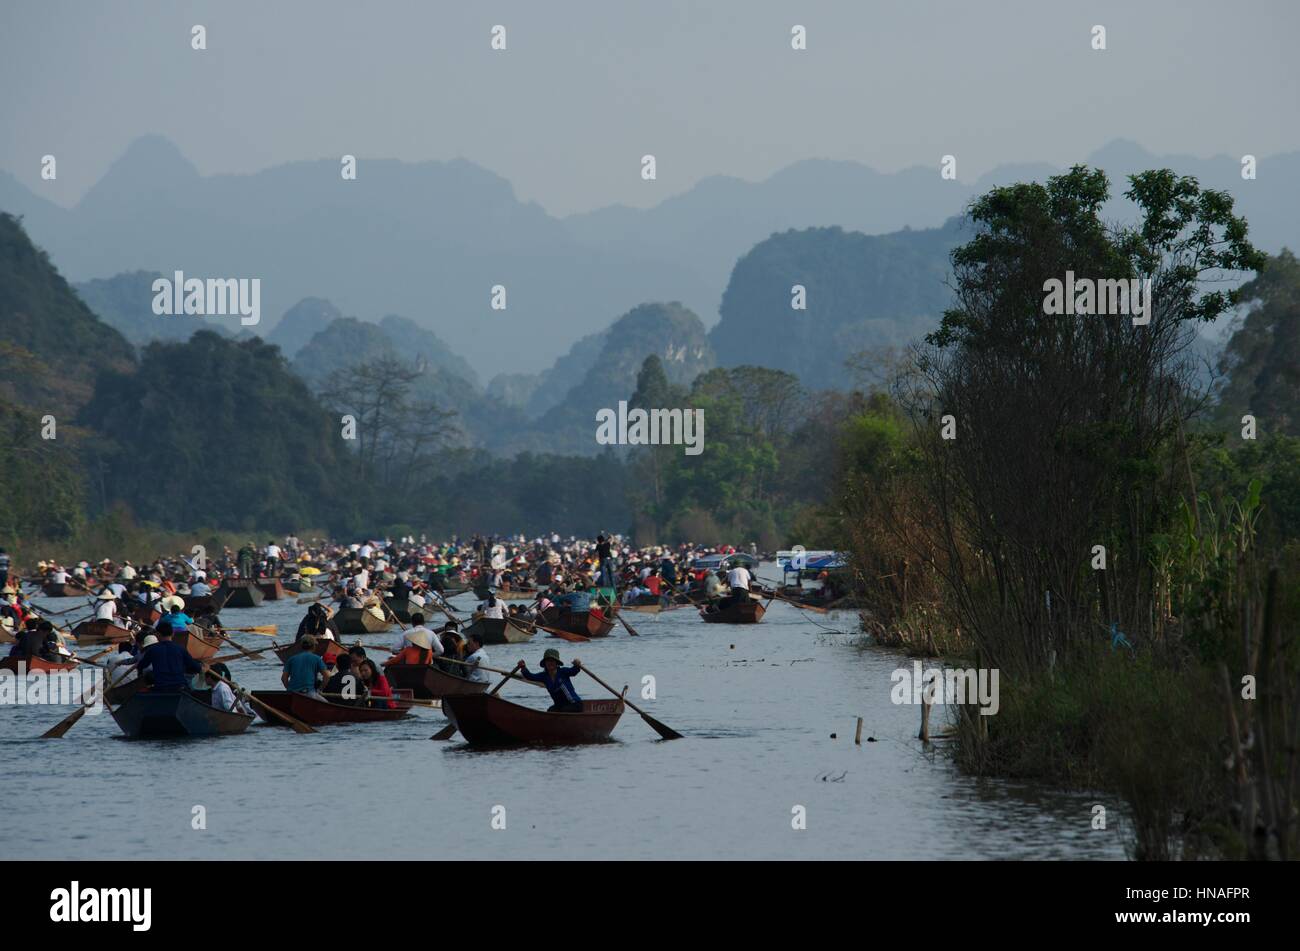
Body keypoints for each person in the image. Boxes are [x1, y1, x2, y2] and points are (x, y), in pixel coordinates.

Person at [132, 626, 202, 692]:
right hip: (179, 686)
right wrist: (204, 668)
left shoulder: (152, 650)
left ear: (157, 635)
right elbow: (195, 666)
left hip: (161, 687)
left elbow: (141, 666)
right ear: (173, 634)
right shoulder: (180, 648)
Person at [514, 648, 584, 713]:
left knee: (563, 710)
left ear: (556, 663)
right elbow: (530, 676)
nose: (550, 663)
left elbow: (574, 671)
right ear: (545, 663)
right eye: (548, 661)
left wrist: (577, 663)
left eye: (552, 661)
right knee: (550, 711)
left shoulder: (563, 672)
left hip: (575, 704)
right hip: (560, 706)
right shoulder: (544, 676)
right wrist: (523, 667)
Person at [282, 634, 328, 699]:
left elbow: (284, 678)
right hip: (309, 693)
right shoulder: (317, 659)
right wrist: (319, 690)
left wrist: (289, 689)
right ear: (313, 646)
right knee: (327, 705)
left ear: (301, 646)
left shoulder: (291, 659)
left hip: (292, 693)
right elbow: (327, 676)